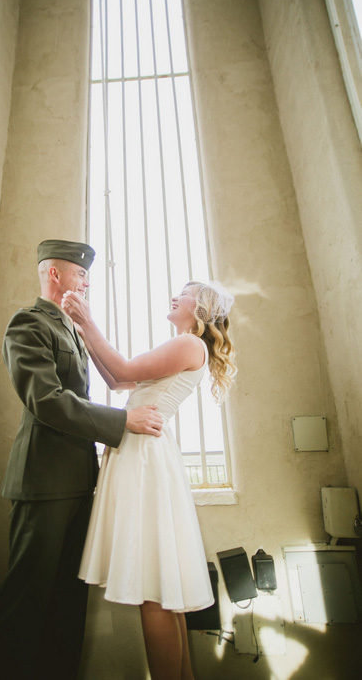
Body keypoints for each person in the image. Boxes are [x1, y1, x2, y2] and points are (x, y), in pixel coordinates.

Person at [0, 240, 163, 680]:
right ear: (55, 275)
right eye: (80, 274)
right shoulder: (28, 324)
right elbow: (47, 399)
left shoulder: (70, 330)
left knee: (67, 606)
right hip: (43, 483)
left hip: (80, 483)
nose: (86, 282)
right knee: (27, 603)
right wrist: (123, 422)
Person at [62, 280, 236, 680]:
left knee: (153, 593)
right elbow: (118, 382)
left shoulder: (189, 344)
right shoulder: (186, 346)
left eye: (187, 292)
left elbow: (122, 369)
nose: (177, 294)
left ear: (202, 309)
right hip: (145, 452)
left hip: (144, 457)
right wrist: (83, 330)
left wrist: (88, 320)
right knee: (161, 593)